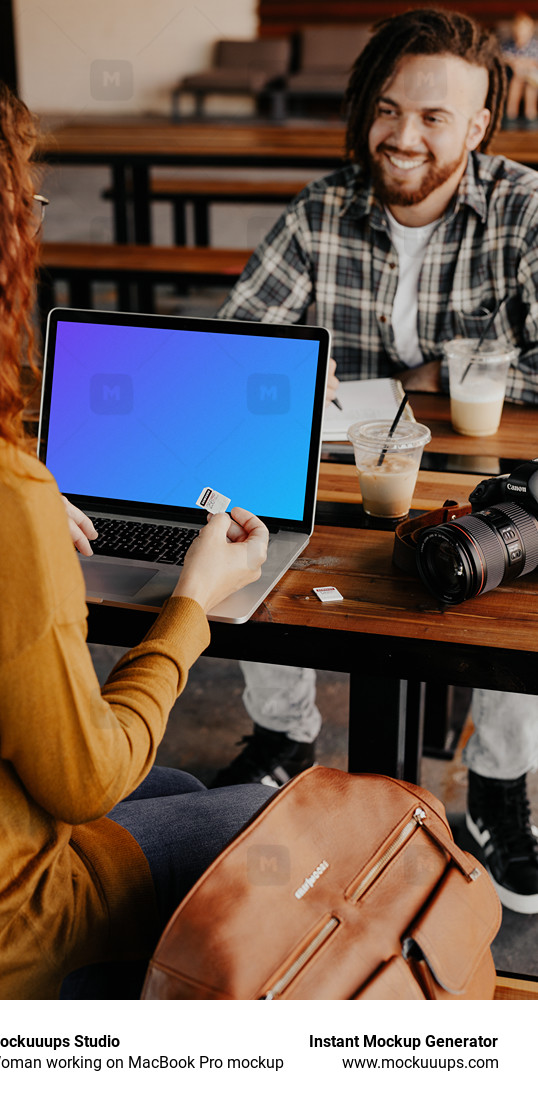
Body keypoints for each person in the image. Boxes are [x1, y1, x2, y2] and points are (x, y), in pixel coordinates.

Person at [0, 49, 274, 1000]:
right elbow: (83, 782)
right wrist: (193, 605)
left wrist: (7, 505)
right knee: (276, 814)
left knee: (174, 791)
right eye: (27, 207)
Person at [215, 8, 538, 915]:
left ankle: (497, 787)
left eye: (435, 118)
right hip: (349, 468)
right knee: (243, 496)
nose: (401, 137)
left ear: (479, 126)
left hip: (483, 475)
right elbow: (241, 350)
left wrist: (415, 377)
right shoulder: (321, 211)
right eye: (388, 108)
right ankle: (282, 732)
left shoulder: (524, 209)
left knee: (524, 556)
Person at [501, 12, 538, 128]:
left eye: (523, 33)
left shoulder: (534, 45)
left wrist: (525, 64)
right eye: (518, 33)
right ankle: (511, 114)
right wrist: (513, 62)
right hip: (516, 76)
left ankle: (530, 114)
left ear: (530, 32)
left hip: (533, 77)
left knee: (530, 87)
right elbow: (504, 57)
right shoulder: (509, 45)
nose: (520, 36)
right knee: (516, 82)